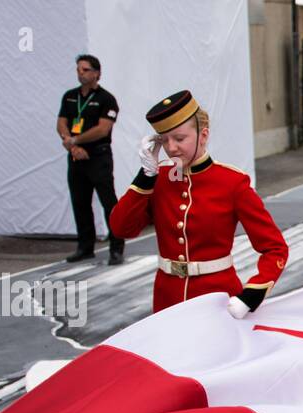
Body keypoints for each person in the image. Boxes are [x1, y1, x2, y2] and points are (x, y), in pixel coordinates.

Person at [109, 90, 288, 315]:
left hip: (217, 300)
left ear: (203, 135)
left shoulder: (231, 182)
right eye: (164, 140)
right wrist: (145, 175)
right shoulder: (158, 179)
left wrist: (252, 295)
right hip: (167, 300)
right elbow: (121, 228)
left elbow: (275, 248)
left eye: (180, 138)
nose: (171, 148)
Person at [57, 53, 125, 265]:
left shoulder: (107, 99)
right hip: (76, 157)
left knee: (108, 202)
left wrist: (75, 140)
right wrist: (70, 143)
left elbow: (103, 129)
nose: (81, 73)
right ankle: (85, 247)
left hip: (98, 156)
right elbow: (61, 122)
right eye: (78, 69)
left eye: (85, 70)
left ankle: (116, 247)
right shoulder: (70, 96)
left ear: (97, 73)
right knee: (80, 202)